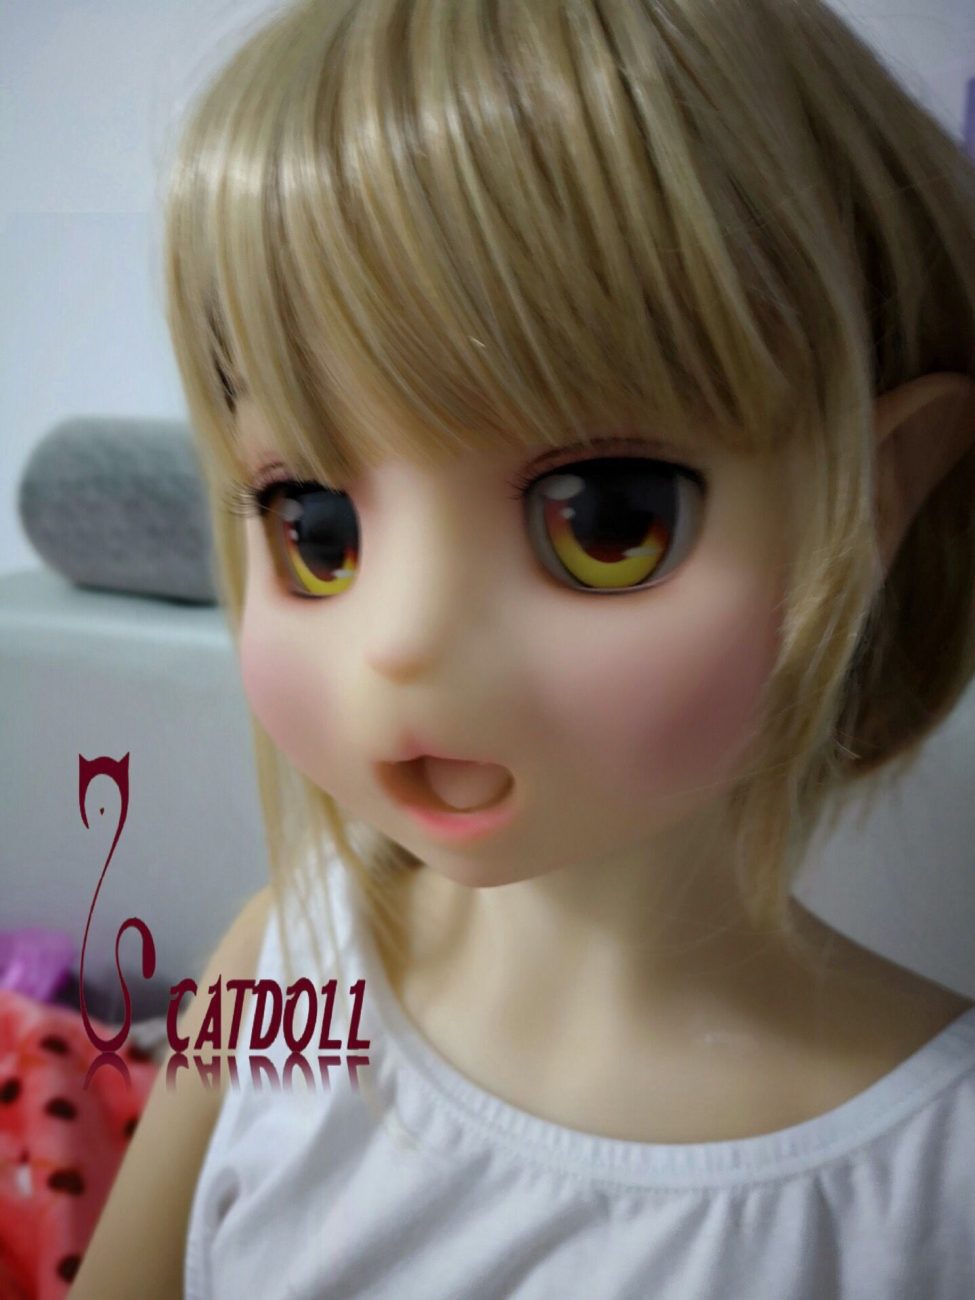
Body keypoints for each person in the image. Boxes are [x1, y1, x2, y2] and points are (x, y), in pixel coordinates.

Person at [73, 0, 975, 1295]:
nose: (401, 643)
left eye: (607, 523)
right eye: (316, 528)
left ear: (880, 494)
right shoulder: (280, 972)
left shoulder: (931, 1187)